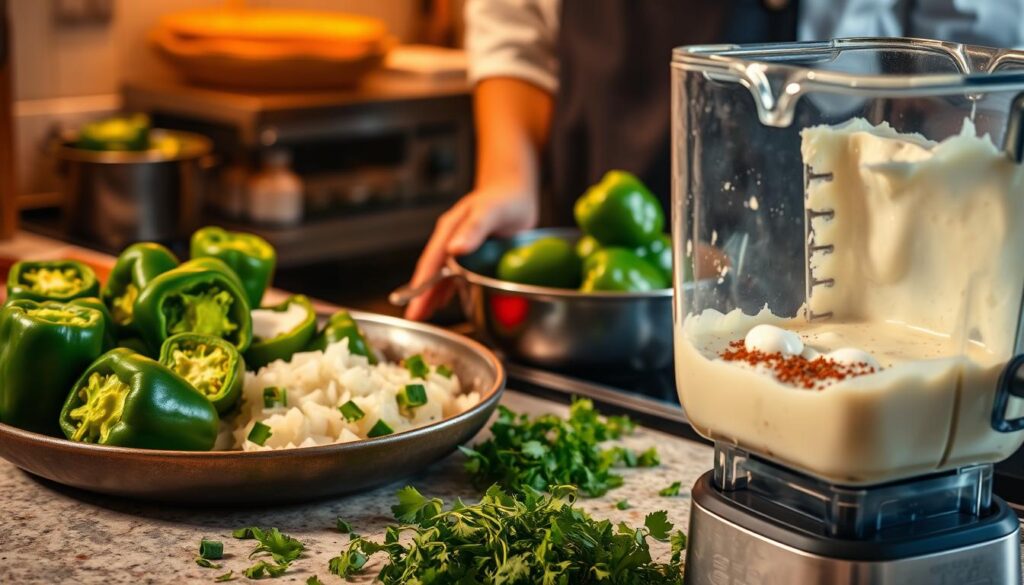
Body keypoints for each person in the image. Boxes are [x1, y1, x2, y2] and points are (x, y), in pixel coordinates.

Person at [404, 0, 1024, 321]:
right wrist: (507, 178)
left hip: (843, 212)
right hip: (610, 257)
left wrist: (958, 230)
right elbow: (516, 21)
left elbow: (971, 52)